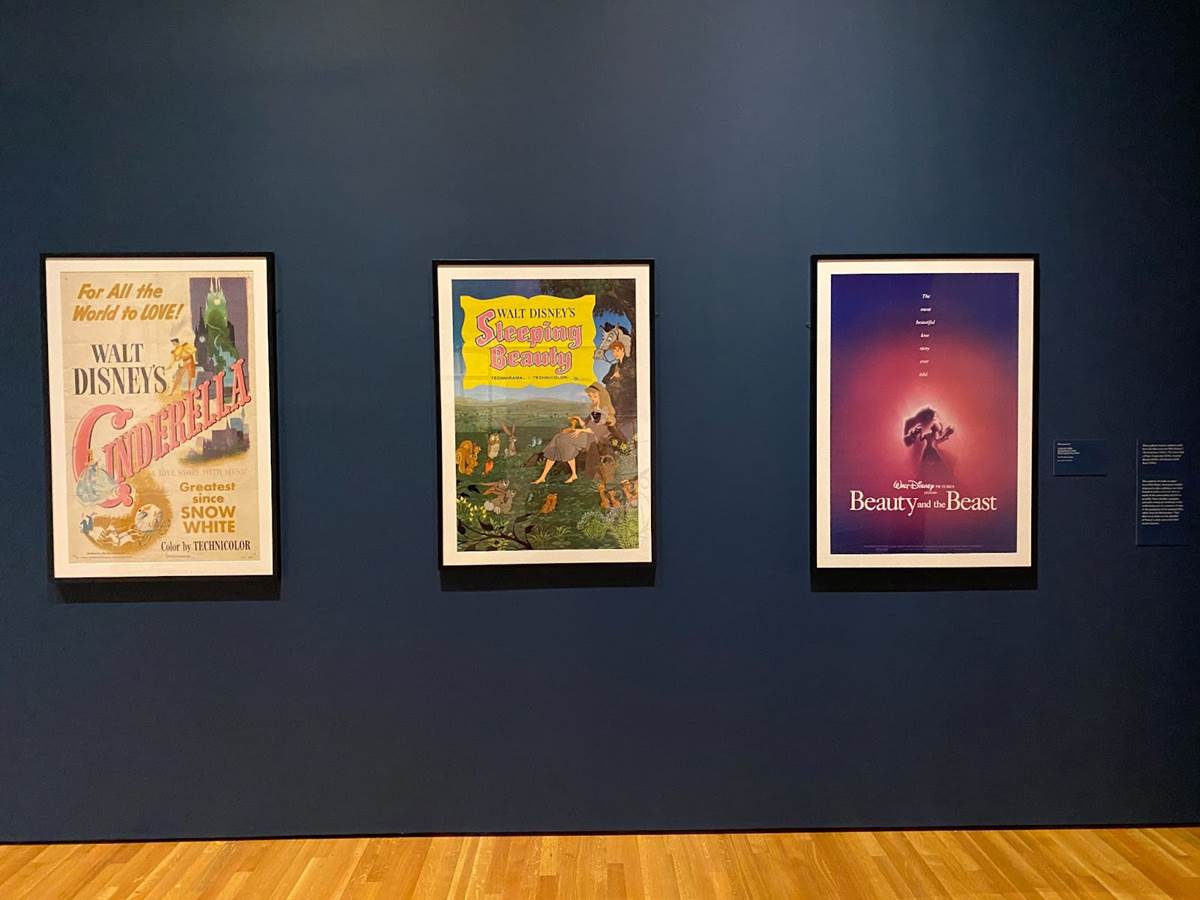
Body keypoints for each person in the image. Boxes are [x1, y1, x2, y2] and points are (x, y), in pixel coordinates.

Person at [532, 383, 617, 484]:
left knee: (563, 439)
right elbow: (587, 426)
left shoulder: (603, 410)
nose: (592, 399)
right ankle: (543, 476)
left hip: (592, 439)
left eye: (595, 396)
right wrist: (578, 419)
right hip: (587, 435)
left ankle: (572, 474)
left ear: (601, 396)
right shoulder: (595, 410)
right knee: (558, 437)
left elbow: (596, 431)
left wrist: (579, 430)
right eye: (590, 396)